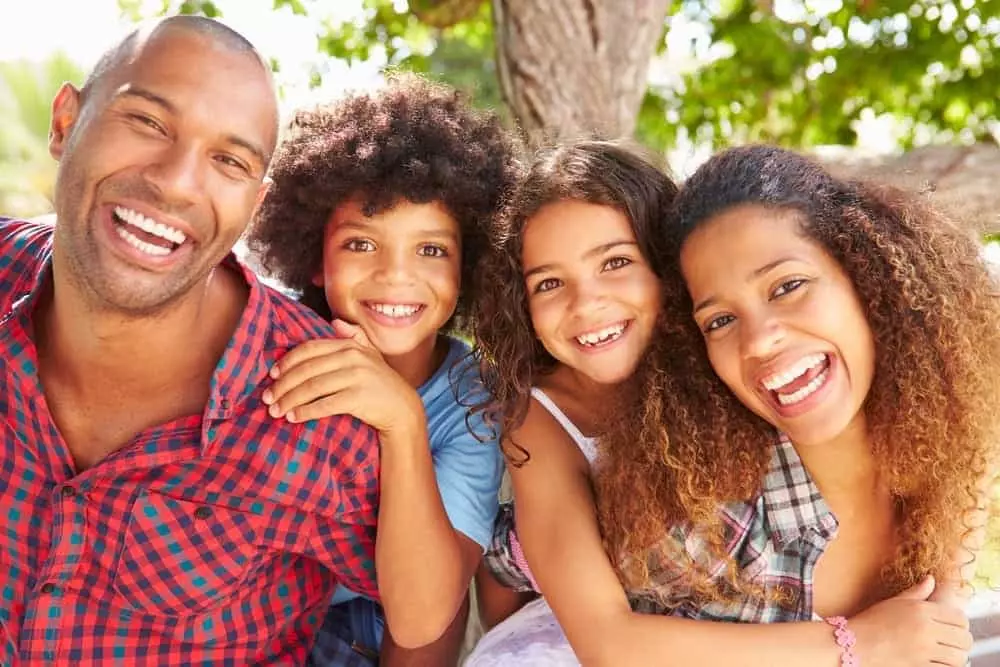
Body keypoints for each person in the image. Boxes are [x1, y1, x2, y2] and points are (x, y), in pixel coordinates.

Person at [0, 16, 407, 665]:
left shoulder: (322, 405)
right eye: (149, 123)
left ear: (254, 201)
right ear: (64, 121)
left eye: (229, 160)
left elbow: (421, 618)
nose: (176, 180)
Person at [594, 145, 997, 665]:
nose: (759, 341)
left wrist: (946, 595)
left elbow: (976, 449)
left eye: (787, 286)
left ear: (866, 274)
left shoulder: (944, 424)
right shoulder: (712, 524)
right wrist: (856, 648)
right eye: (719, 320)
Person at [249, 74, 515, 665]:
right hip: (240, 599)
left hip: (360, 619)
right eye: (361, 244)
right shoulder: (271, 342)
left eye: (431, 250)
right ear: (314, 257)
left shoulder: (471, 397)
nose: (397, 276)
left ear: (468, 264)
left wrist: (402, 420)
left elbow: (423, 619)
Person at [465, 140, 677, 665]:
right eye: (550, 283)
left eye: (615, 262)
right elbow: (600, 640)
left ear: (666, 263)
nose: (586, 303)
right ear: (523, 305)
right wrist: (855, 643)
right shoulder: (539, 414)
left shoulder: (725, 367)